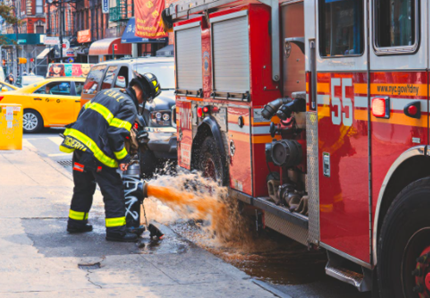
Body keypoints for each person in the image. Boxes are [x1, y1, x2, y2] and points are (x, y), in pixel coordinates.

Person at [59, 72, 161, 242]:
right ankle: (116, 232)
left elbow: (84, 112)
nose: (143, 102)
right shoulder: (129, 105)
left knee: (83, 188)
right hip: (95, 152)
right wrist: (123, 159)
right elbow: (115, 134)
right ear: (143, 93)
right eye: (146, 98)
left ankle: (76, 224)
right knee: (114, 190)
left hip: (78, 146)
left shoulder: (108, 92)